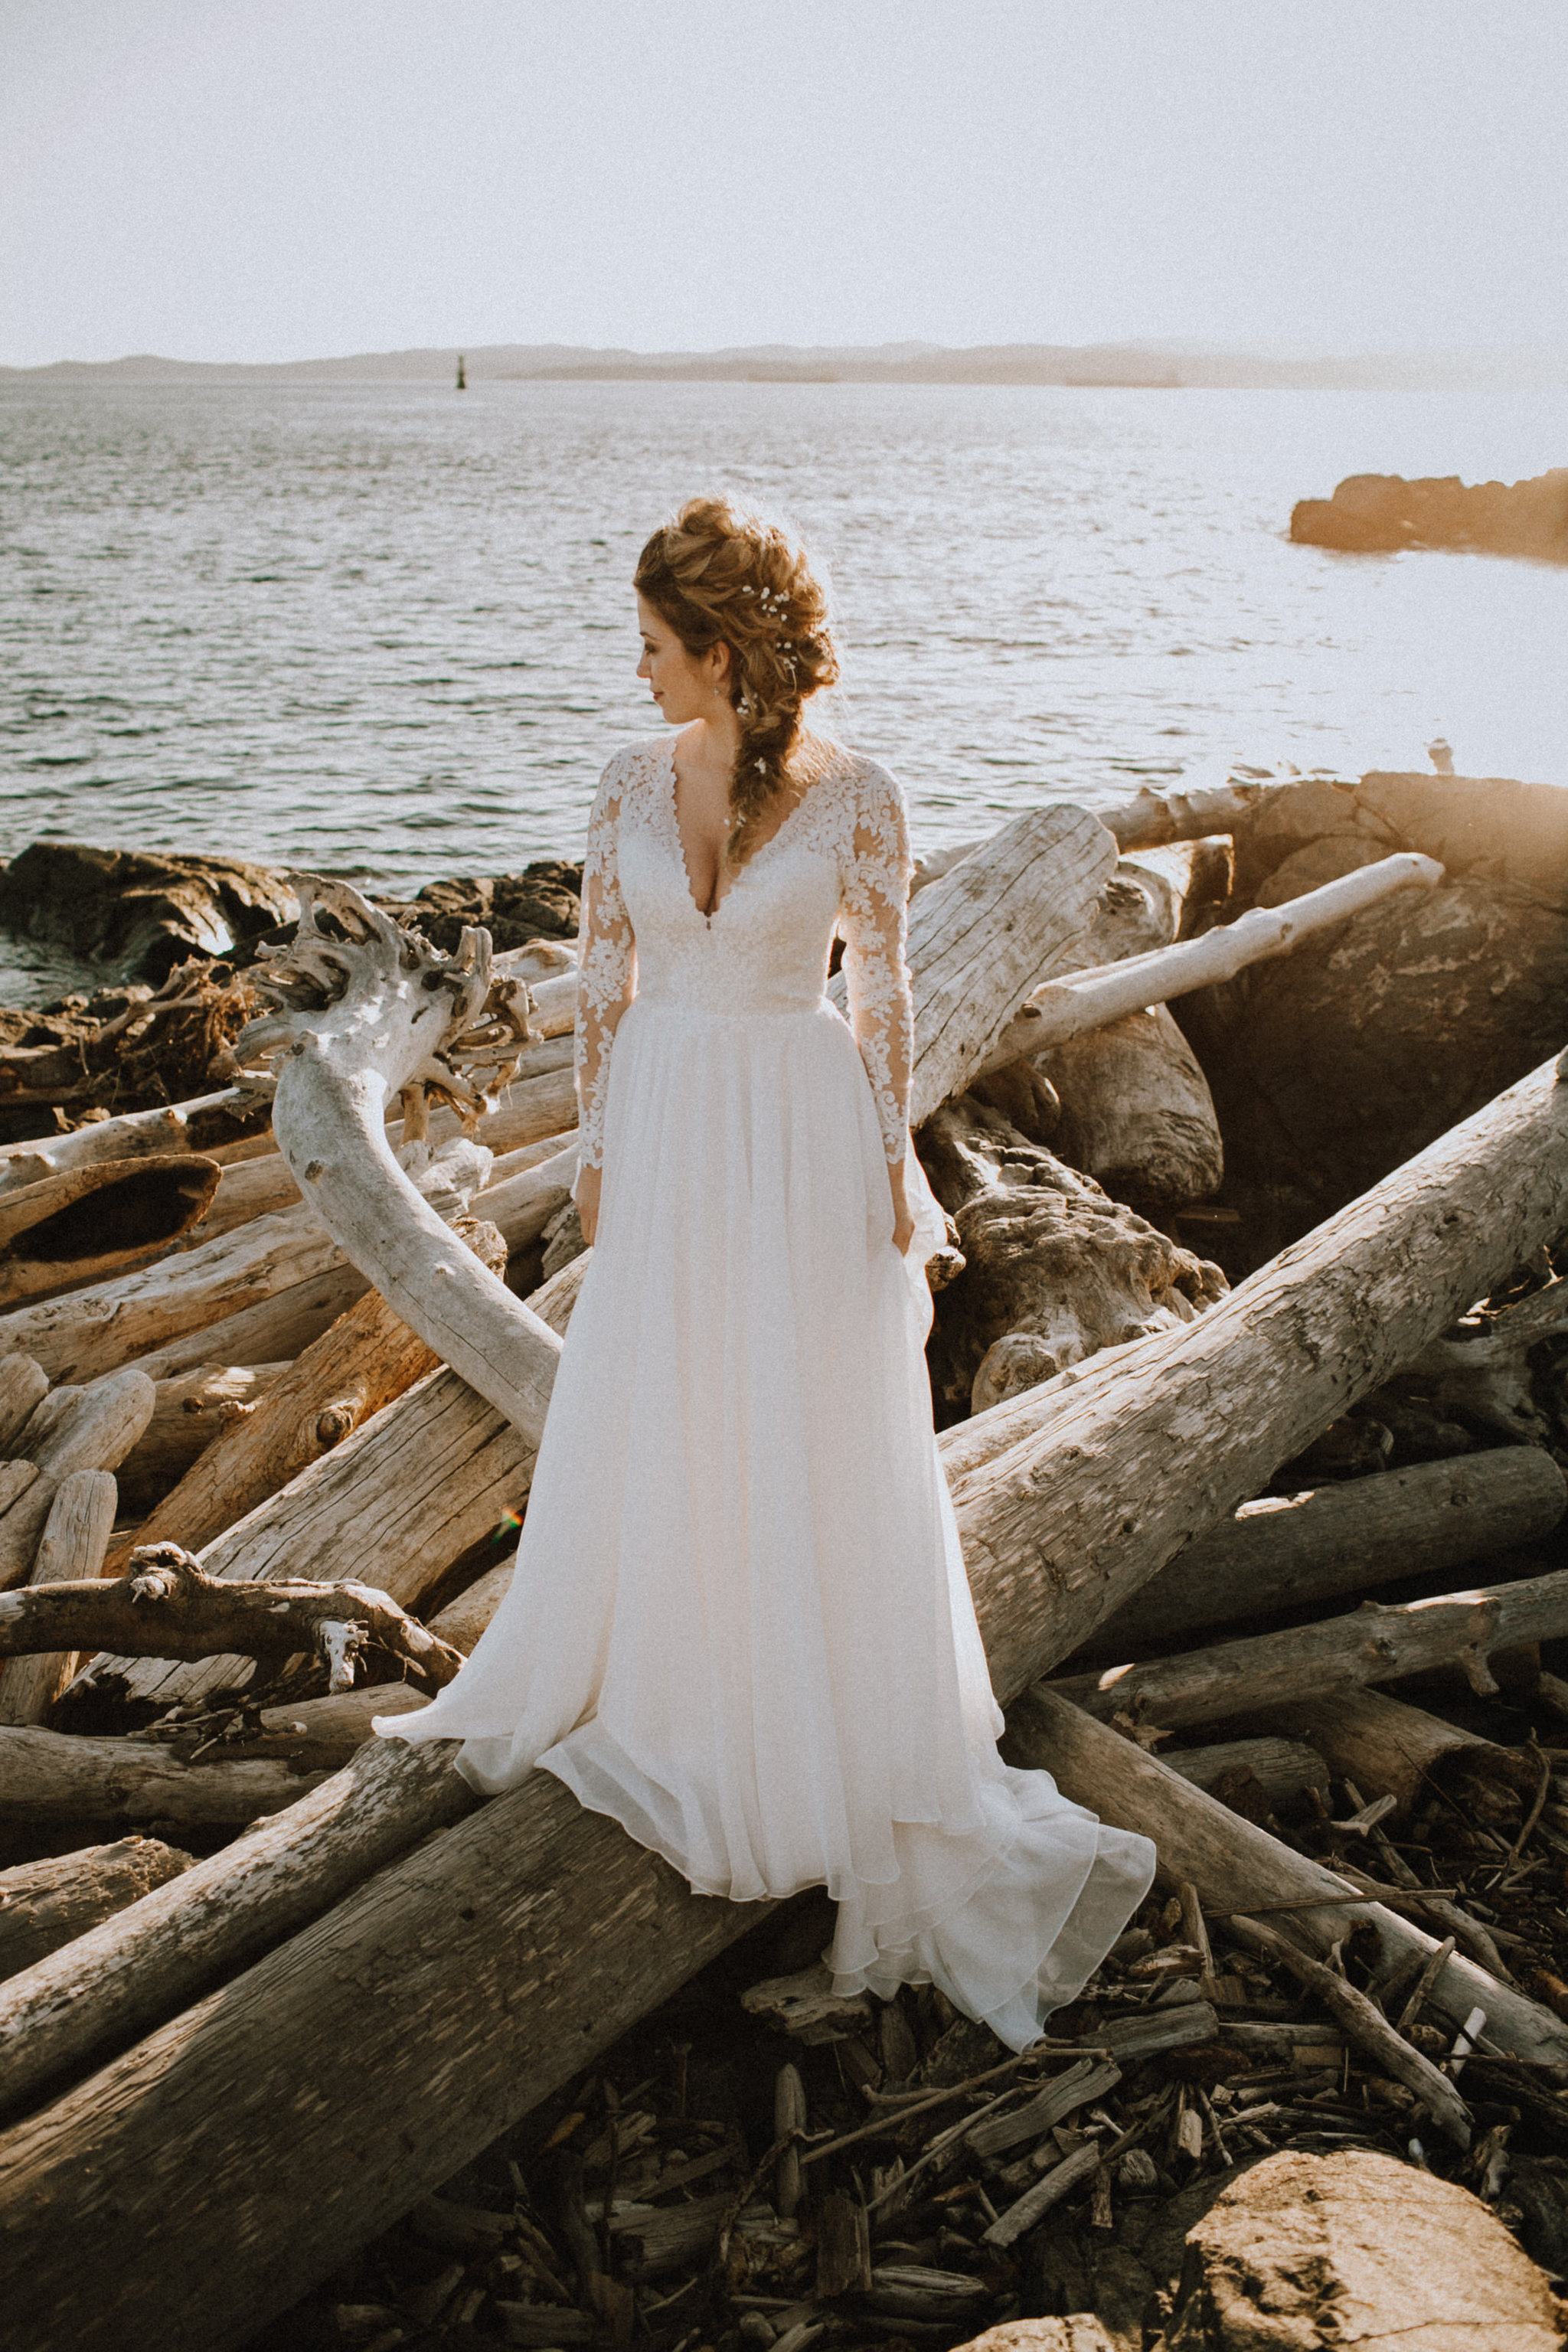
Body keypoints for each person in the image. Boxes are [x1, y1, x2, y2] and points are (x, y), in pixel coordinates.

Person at [376, 498, 1153, 2047]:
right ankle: (671, 1670)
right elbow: (602, 977)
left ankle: (800, 1729)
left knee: (801, 1408)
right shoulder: (623, 785)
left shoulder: (862, 797)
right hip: (666, 1108)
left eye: (657, 646)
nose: (640, 668)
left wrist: (889, 1169)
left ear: (720, 654)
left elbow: (884, 1003)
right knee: (667, 1387)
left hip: (797, 1121)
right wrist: (592, 1143)